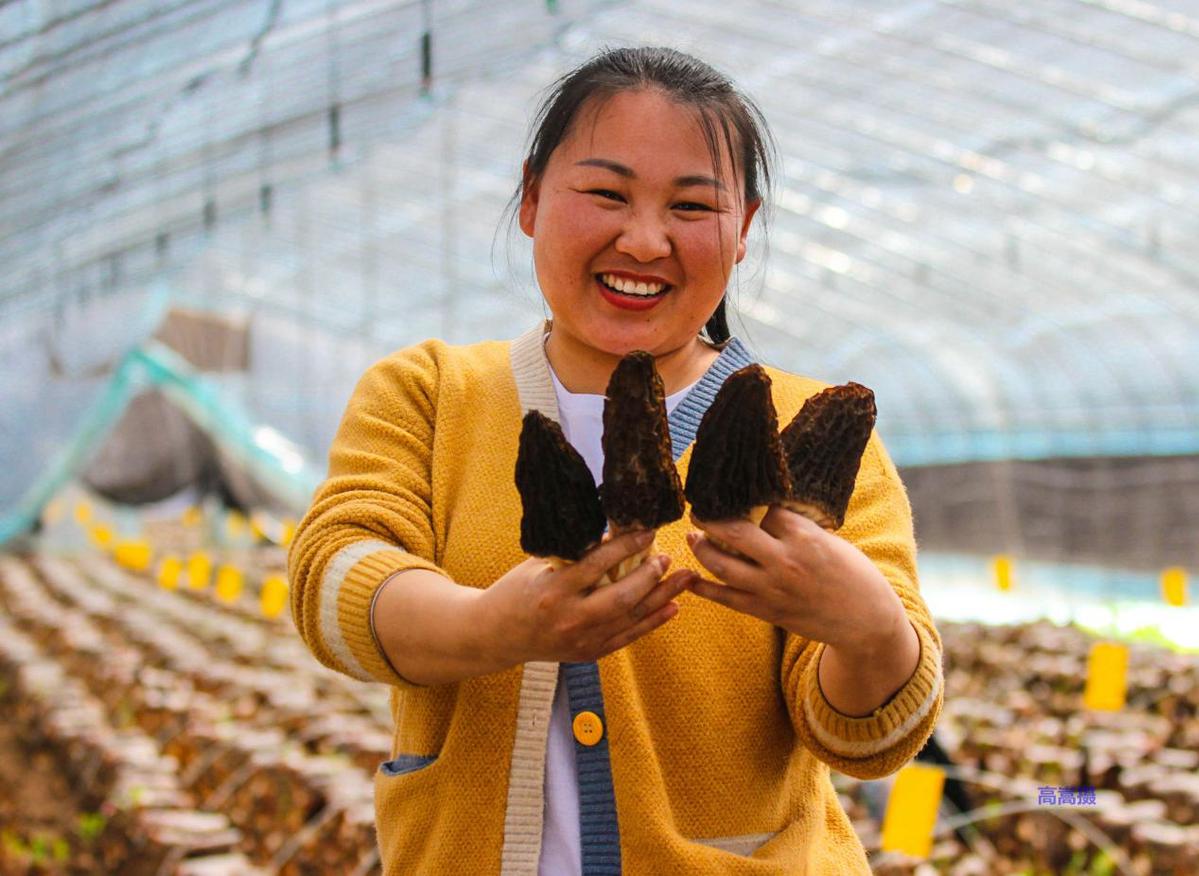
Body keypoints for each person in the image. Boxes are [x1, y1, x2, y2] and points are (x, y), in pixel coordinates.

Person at [288, 46, 943, 875]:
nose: (643, 239)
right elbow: (333, 577)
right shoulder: (430, 393)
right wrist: (494, 628)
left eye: (692, 206)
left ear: (742, 230)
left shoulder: (801, 431)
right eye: (605, 193)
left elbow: (871, 737)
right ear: (531, 198)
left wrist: (868, 628)